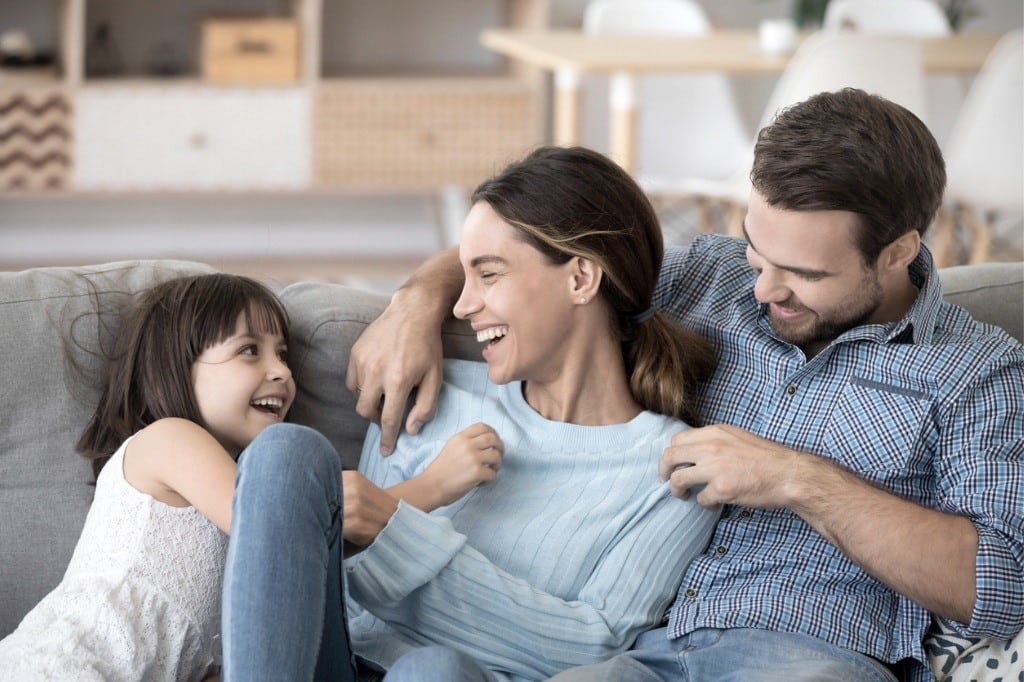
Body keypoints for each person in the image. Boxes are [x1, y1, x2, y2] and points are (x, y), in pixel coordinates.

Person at [345, 88, 1024, 681]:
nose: (762, 289)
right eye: (758, 252)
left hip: (812, 654)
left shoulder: (974, 372)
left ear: (899, 251)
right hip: (645, 649)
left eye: (803, 275)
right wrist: (414, 303)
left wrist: (800, 480)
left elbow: (999, 584)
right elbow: (546, 250)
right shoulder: (710, 276)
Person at [220, 145, 720, 681]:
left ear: (580, 279)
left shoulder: (672, 472)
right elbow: (339, 594)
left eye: (489, 275)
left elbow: (584, 646)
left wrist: (397, 530)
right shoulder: (431, 391)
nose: (461, 306)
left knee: (434, 671)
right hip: (329, 662)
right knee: (287, 451)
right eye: (464, 277)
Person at [0, 273, 306, 681]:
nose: (282, 371)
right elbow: (285, 529)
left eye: (282, 354)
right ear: (177, 368)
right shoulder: (170, 438)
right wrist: (417, 494)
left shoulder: (225, 491)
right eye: (250, 350)